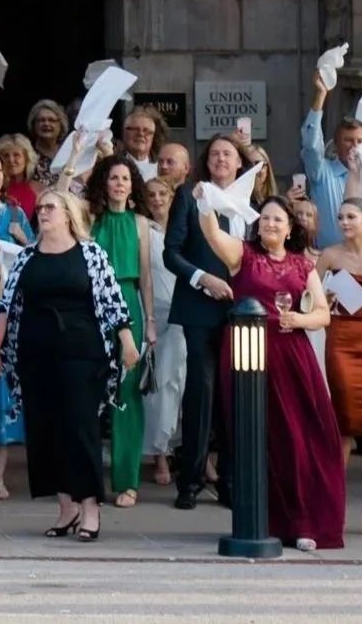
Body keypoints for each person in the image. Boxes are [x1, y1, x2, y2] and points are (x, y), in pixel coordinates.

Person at [200, 190, 345, 551]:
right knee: (258, 439)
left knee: (302, 438)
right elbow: (212, 233)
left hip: (292, 356)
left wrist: (299, 318)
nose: (270, 223)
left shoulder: (302, 265)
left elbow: (323, 315)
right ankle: (265, 521)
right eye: (264, 217)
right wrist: (207, 204)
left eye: (278, 218)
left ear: (289, 226)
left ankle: (304, 521)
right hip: (250, 357)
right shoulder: (243, 256)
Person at [0, 187, 130, 541]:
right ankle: (65, 506)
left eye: (50, 207)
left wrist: (127, 341)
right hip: (35, 353)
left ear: (68, 214)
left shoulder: (91, 254)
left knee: (80, 427)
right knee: (45, 429)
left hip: (82, 350)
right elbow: (6, 305)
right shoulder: (26, 257)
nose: (43, 213)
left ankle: (90, 509)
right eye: (40, 208)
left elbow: (114, 300)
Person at [163, 129, 252, 509]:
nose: (220, 159)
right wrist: (203, 279)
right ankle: (191, 480)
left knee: (237, 394)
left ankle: (232, 480)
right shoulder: (189, 195)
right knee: (201, 390)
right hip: (200, 307)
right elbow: (172, 253)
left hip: (244, 311)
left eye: (227, 154)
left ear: (239, 162)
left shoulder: (253, 201)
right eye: (214, 153)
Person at [317, 194, 362, 535]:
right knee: (345, 423)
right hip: (342, 339)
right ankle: (332, 507)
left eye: (351, 217)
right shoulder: (329, 255)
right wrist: (325, 298)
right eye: (341, 217)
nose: (345, 223)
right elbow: (308, 296)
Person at [81, 155, 151, 506]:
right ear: (104, 182)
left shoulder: (140, 223)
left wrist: (150, 321)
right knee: (89, 393)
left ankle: (128, 481)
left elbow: (146, 278)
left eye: (125, 178)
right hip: (91, 306)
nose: (120, 184)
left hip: (128, 302)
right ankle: (87, 480)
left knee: (127, 394)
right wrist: (84, 149)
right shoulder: (91, 219)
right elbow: (64, 193)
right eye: (113, 177)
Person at [137, 172, 183, 491]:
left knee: (177, 378)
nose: (157, 200)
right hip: (151, 310)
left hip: (181, 311)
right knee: (155, 383)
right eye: (151, 195)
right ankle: (159, 454)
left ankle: (174, 444)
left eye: (162, 195)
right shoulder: (143, 230)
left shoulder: (182, 229)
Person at [298, 70, 362, 250]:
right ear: (336, 144)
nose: (354, 146)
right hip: (329, 262)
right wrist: (321, 95)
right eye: (348, 140)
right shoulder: (322, 173)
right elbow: (311, 146)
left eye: (360, 141)